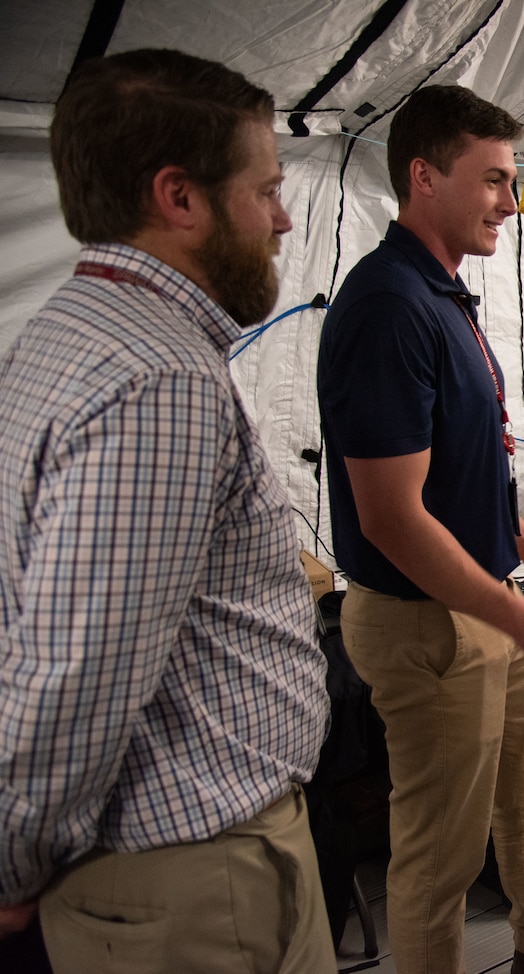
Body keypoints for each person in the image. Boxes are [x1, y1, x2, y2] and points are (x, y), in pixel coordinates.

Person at [0, 49, 333, 971]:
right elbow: (78, 676)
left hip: (168, 867)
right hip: (193, 878)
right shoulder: (158, 381)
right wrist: (13, 865)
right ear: (179, 197)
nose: (283, 218)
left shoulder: (70, 331)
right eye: (265, 190)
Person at [316, 85, 524, 974]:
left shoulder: (443, 295)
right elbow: (392, 518)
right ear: (424, 178)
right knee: (440, 857)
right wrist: (514, 613)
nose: (513, 201)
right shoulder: (389, 305)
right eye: (496, 180)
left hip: (484, 595)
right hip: (427, 622)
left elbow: (459, 467)